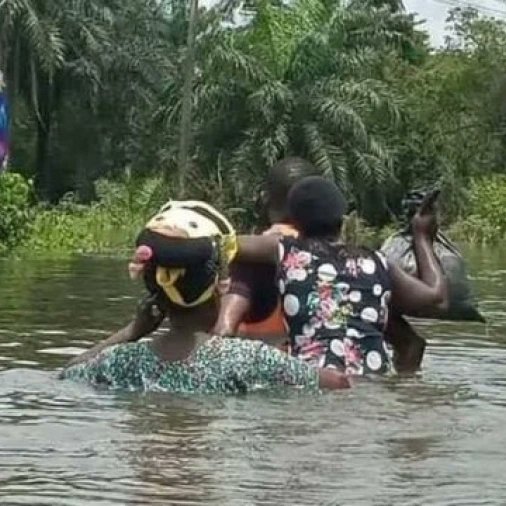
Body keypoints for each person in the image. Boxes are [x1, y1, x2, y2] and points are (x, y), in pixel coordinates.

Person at [167, 177, 448, 376]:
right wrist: (422, 236)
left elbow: (219, 245)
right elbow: (435, 297)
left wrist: (165, 241)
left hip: (312, 381)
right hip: (372, 381)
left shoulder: (286, 251)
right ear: (344, 219)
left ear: (293, 222)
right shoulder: (378, 262)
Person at [61, 200, 349, 392]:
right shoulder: (246, 359)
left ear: (153, 286)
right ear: (218, 283)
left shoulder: (120, 362)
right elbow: (336, 384)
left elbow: (67, 374)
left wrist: (132, 332)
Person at [213, 158, 427, 373]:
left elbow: (223, 333)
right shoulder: (358, 271)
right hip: (357, 381)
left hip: (285, 383)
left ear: (265, 200)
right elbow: (412, 344)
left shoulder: (257, 256)